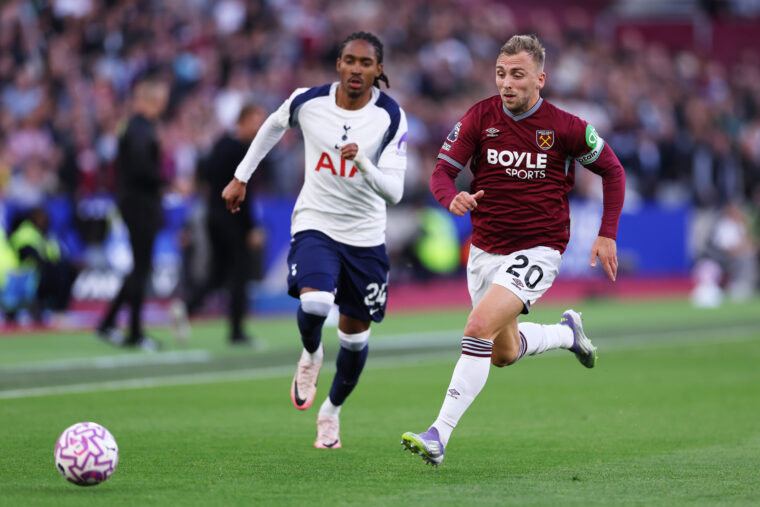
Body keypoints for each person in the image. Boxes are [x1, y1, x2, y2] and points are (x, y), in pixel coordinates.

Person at [401, 34, 625, 467]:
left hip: (539, 248)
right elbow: (442, 172)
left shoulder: (566, 127)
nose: (507, 83)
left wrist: (607, 233)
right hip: (486, 250)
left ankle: (438, 434)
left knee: (477, 327)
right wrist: (450, 197)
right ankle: (567, 334)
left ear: (540, 79)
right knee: (501, 353)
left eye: (518, 75)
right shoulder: (479, 117)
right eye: (501, 73)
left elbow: (612, 170)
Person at [222, 31, 407, 449]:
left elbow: (394, 193)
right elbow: (272, 125)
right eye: (349, 60)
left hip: (365, 237)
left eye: (365, 63)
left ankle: (331, 413)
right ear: (338, 63)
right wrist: (241, 177)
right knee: (316, 304)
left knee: (355, 340)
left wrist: (363, 161)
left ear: (378, 70)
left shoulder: (390, 116)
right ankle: (310, 353)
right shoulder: (308, 101)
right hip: (316, 223)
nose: (356, 69)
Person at [174, 104, 268, 344]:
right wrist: (251, 227)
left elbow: (206, 178)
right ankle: (236, 331)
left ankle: (186, 306)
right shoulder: (241, 149)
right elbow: (244, 192)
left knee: (218, 273)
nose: (259, 127)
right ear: (243, 120)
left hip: (213, 216)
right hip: (232, 219)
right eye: (256, 121)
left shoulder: (220, 144)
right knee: (240, 274)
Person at [96, 76, 170, 351]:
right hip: (140, 204)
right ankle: (135, 332)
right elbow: (141, 169)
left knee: (139, 267)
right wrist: (167, 183)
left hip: (134, 202)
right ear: (152, 100)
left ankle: (108, 322)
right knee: (141, 267)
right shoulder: (141, 129)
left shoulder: (135, 127)